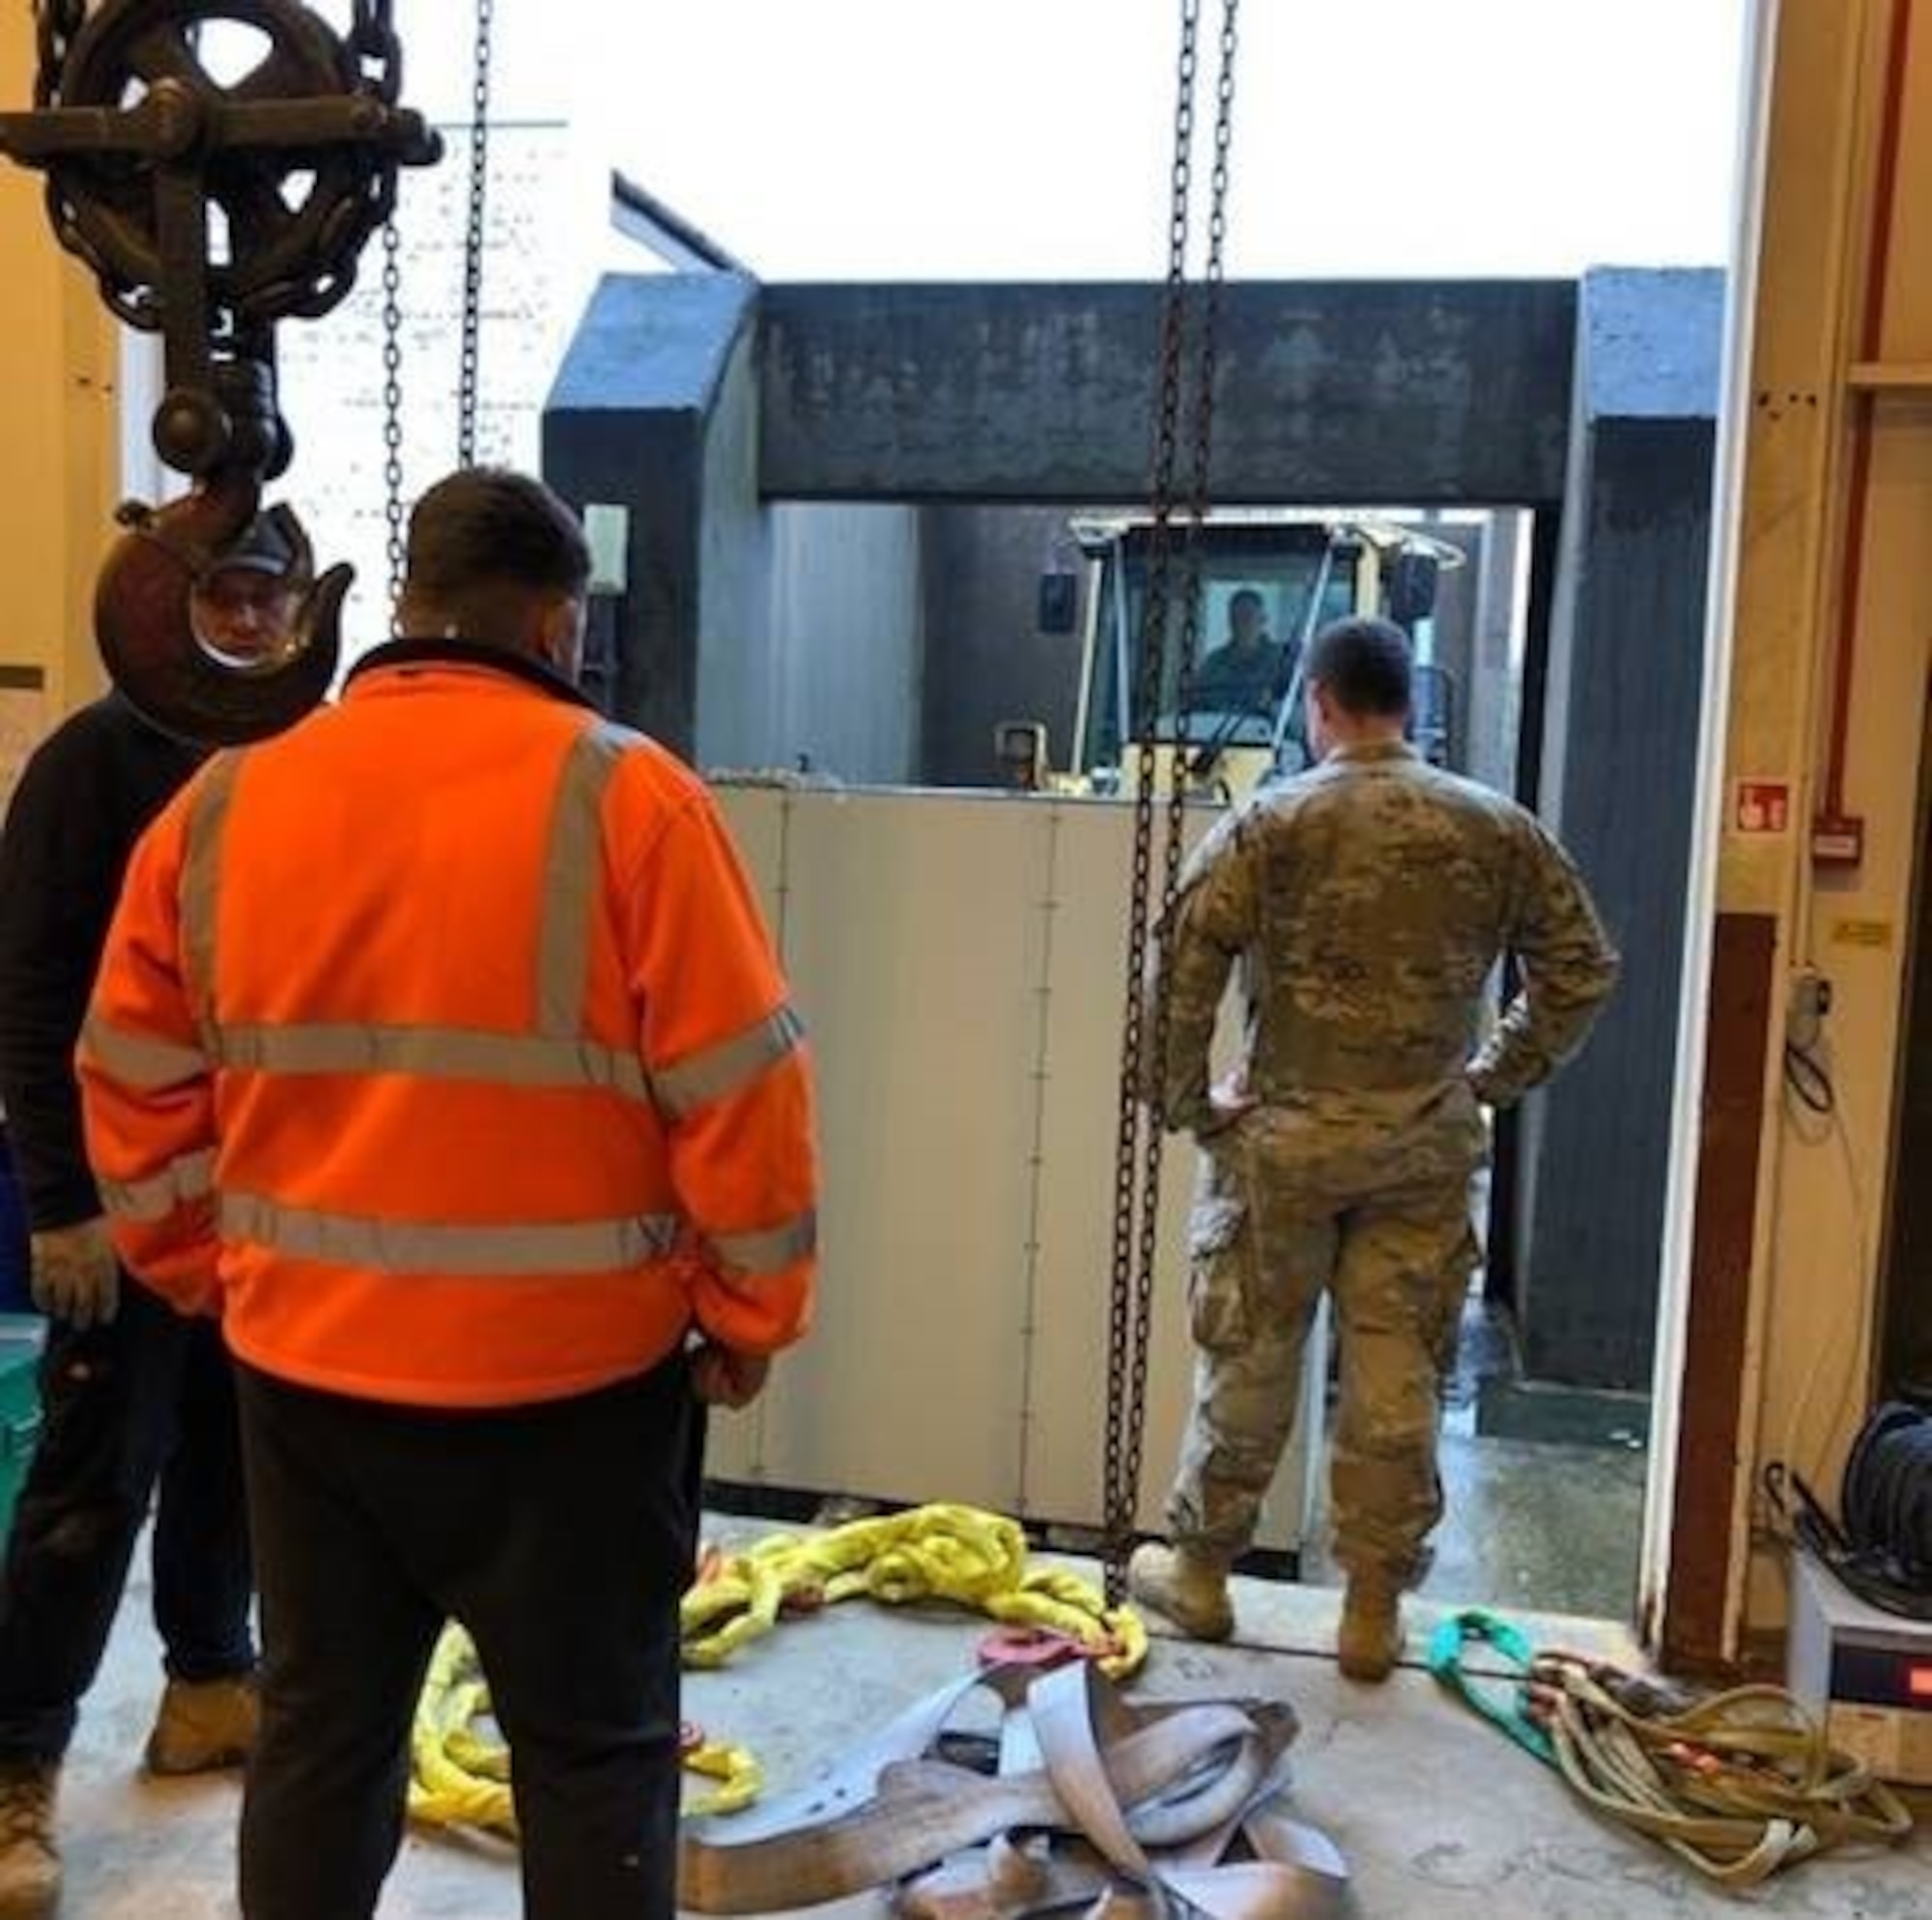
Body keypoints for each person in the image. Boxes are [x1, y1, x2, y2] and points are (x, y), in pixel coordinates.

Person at [77, 466, 819, 1920]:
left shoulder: (229, 801)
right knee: (594, 1756)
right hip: (576, 1407)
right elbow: (744, 1095)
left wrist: (202, 1272)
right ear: (556, 631)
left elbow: (127, 1072)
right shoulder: (634, 801)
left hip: (311, 1388)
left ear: (406, 611)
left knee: (321, 1737)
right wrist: (749, 1314)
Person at [1127, 616, 1618, 1681]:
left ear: (1318, 703)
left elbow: (1179, 972)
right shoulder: (1493, 828)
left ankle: (1202, 1574)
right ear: (1405, 702)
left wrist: (1191, 1104)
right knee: (1398, 1376)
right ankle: (1366, 1611)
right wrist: (1490, 1074)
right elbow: (1579, 968)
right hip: (1419, 1151)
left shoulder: (1269, 823)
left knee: (1251, 1358)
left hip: (1280, 1147)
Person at [0, 566, 288, 1912]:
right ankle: (16, 1772)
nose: (243, 626)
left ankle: (208, 1689)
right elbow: (31, 991)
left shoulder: (285, 751)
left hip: (250, 1196)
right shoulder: (89, 766)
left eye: (265, 602)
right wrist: (59, 1199)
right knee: (93, 1478)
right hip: (117, 1201)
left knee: (234, 1452)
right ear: (152, 611)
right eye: (219, 599)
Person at [1189, 586, 1294, 714]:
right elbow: (1196, 707)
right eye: (1235, 618)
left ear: (1263, 620)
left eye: (1247, 617)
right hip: (1215, 733)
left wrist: (1272, 707)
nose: (1240, 624)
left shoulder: (1283, 662)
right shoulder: (1213, 664)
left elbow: (1299, 712)